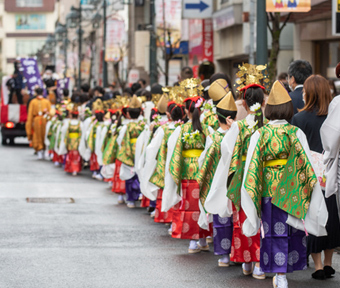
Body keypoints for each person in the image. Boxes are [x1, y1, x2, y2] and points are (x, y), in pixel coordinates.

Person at [241, 80, 328, 288]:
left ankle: (275, 273)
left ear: (268, 109)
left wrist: (254, 190)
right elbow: (307, 165)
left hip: (269, 191)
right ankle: (282, 274)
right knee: (290, 230)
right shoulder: (295, 133)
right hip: (292, 192)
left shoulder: (260, 134)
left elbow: (252, 167)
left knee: (271, 230)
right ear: (289, 108)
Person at [291, 75, 338, 280]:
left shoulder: (299, 119)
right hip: (330, 171)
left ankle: (317, 265)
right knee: (331, 215)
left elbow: (296, 149)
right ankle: (329, 263)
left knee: (312, 216)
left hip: (309, 173)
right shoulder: (333, 116)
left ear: (308, 93)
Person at [162, 82, 214, 254]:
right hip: (204, 172)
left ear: (186, 111)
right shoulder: (207, 129)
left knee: (190, 207)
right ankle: (203, 239)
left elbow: (175, 153)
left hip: (187, 174)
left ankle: (193, 242)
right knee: (202, 206)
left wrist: (175, 172)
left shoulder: (181, 129)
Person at [116, 96, 144, 208]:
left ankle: (131, 199)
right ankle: (139, 194)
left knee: (129, 175)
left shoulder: (125, 127)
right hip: (140, 150)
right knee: (139, 173)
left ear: (128, 114)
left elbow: (119, 140)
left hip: (128, 151)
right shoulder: (143, 126)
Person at [25, 87, 52, 159]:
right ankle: (40, 150)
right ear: (43, 93)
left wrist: (29, 124)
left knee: (42, 134)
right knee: (38, 135)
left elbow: (30, 115)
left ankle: (42, 150)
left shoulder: (37, 101)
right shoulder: (43, 101)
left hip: (41, 120)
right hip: (40, 120)